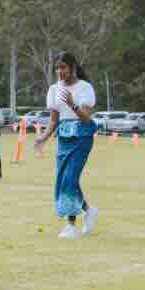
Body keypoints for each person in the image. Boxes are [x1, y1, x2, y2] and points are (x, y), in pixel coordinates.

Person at [33, 51, 98, 239]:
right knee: (63, 180)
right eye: (57, 68)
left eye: (63, 67)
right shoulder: (53, 89)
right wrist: (42, 138)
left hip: (82, 137)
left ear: (72, 68)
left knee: (70, 179)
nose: (60, 71)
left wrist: (72, 104)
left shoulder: (85, 88)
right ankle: (88, 210)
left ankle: (71, 226)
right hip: (64, 139)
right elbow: (53, 122)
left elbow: (86, 119)